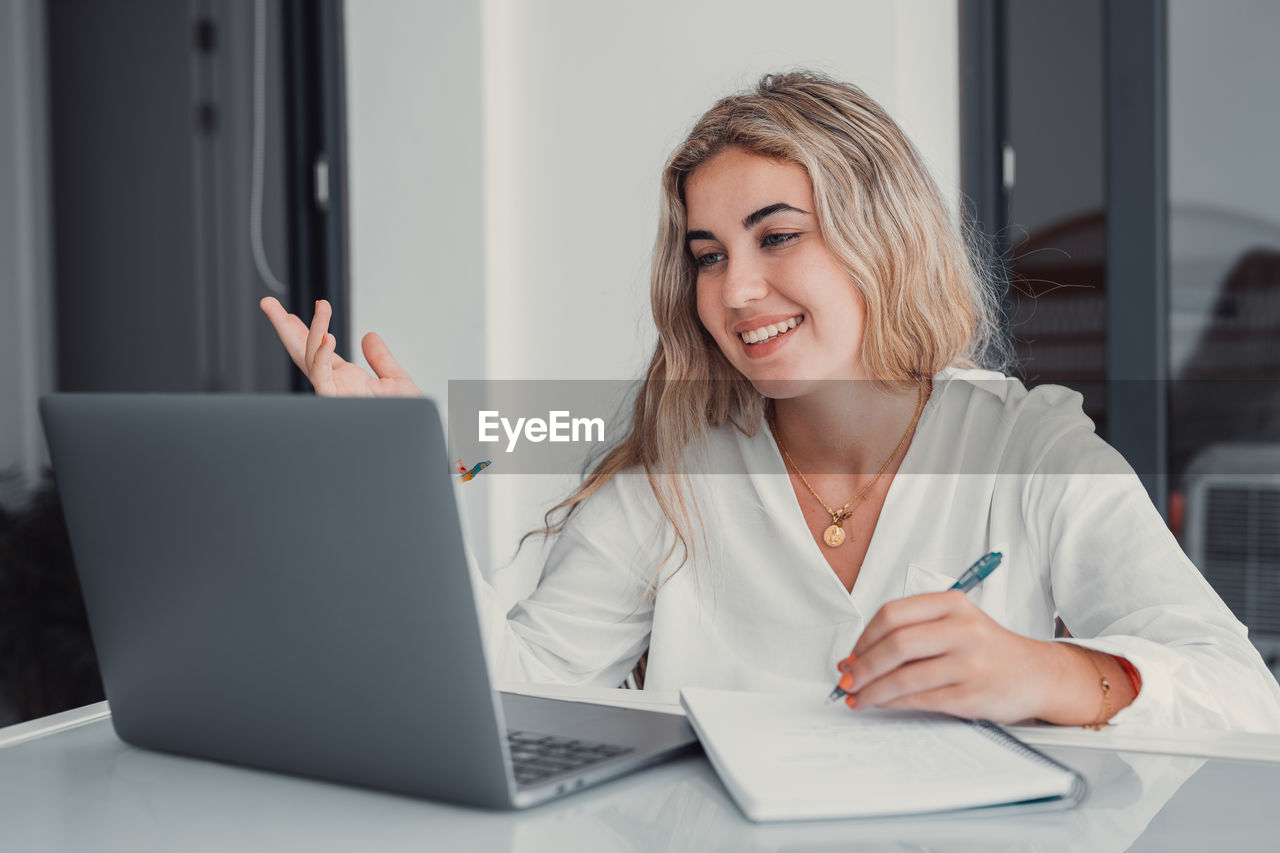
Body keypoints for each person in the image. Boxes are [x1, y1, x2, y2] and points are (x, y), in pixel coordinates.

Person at [261, 71, 1280, 731]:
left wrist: (1050, 675)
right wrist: (393, 472)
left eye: (776, 234)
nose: (733, 289)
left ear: (880, 237)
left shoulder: (1030, 446)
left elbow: (1246, 703)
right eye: (707, 255)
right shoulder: (672, 466)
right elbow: (515, 691)